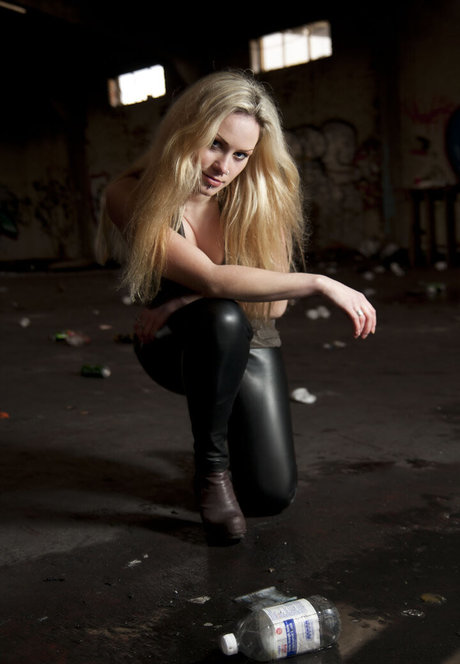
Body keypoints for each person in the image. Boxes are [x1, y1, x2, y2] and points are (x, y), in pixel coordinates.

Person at [96, 70, 376, 544]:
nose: (223, 167)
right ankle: (211, 471)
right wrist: (319, 282)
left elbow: (277, 306)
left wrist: (183, 298)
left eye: (241, 154)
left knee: (270, 496)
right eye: (214, 144)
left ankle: (228, 446)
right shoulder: (131, 193)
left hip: (253, 334)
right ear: (185, 131)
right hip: (174, 343)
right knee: (221, 315)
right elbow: (210, 277)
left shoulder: (259, 196)